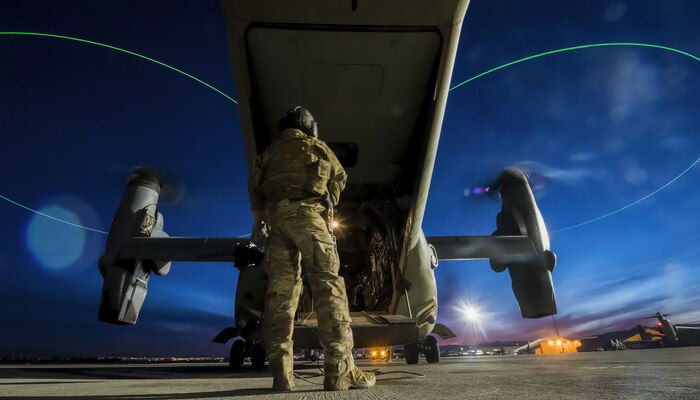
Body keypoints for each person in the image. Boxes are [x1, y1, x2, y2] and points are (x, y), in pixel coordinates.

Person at [248, 106, 376, 391]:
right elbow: (340, 177)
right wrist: (328, 203)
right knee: (328, 286)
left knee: (279, 297)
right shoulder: (318, 148)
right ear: (309, 127)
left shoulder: (267, 155)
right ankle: (339, 371)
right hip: (310, 220)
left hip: (277, 226)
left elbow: (256, 196)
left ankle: (282, 375)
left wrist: (260, 229)